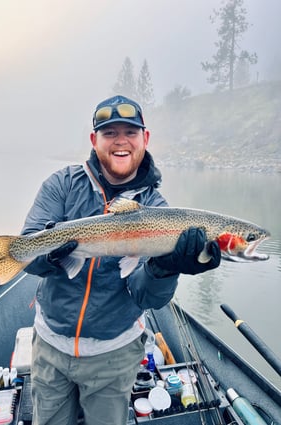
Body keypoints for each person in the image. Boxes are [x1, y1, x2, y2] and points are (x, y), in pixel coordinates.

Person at [21, 95, 221, 425]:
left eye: (130, 132)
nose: (120, 141)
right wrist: (51, 257)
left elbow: (146, 297)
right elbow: (26, 257)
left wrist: (164, 266)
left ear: (145, 138)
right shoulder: (61, 185)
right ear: (93, 140)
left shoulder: (160, 210)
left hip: (114, 355)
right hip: (50, 348)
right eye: (109, 133)